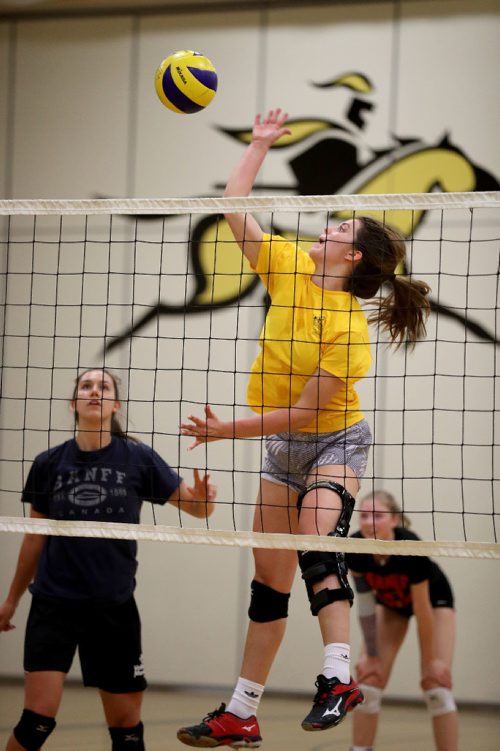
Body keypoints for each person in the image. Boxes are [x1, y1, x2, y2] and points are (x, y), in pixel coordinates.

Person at [176, 108, 431, 749]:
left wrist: (225, 430)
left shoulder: (348, 330)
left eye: (339, 226)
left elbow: (309, 414)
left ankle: (338, 675)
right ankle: (242, 711)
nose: (326, 225)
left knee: (319, 546)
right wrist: (259, 144)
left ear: (352, 254)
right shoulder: (288, 266)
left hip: (333, 439)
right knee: (269, 581)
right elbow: (234, 206)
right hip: (283, 446)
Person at [0, 368, 216, 751]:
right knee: (36, 722)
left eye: (104, 387)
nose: (94, 391)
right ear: (73, 403)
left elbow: (198, 510)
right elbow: (34, 539)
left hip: (112, 607)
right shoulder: (48, 463)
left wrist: (205, 498)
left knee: (126, 728)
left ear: (115, 404)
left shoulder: (137, 458)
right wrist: (12, 601)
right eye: (86, 386)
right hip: (54, 605)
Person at [346, 490, 458, 751]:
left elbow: (422, 609)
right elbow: (365, 604)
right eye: (363, 516)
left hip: (434, 604)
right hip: (392, 606)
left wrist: (431, 661)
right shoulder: (356, 547)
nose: (368, 522)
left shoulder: (410, 547)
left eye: (378, 516)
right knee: (369, 681)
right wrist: (371, 654)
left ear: (395, 520)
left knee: (436, 686)